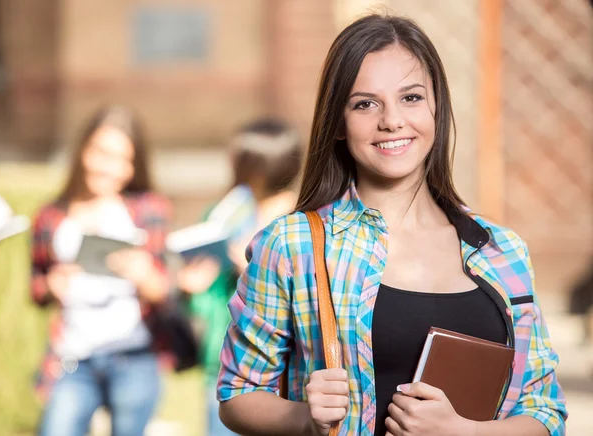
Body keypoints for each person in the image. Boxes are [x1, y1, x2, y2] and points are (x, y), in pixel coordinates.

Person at [216, 14, 567, 436]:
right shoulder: (293, 245)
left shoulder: (501, 250)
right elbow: (237, 394)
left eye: (411, 98)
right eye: (365, 103)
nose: (392, 120)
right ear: (339, 124)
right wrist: (303, 417)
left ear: (437, 106)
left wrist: (463, 432)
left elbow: (544, 412)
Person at [31, 105, 174, 436]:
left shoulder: (148, 210)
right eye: (101, 153)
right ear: (83, 150)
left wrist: (145, 276)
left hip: (134, 356)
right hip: (72, 358)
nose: (109, 168)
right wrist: (51, 286)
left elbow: (166, 291)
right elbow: (36, 287)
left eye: (122, 159)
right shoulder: (51, 217)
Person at [177, 118, 303, 436]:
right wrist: (192, 288)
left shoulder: (302, 221)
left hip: (286, 367)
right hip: (223, 359)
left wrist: (253, 269)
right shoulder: (224, 215)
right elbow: (208, 300)